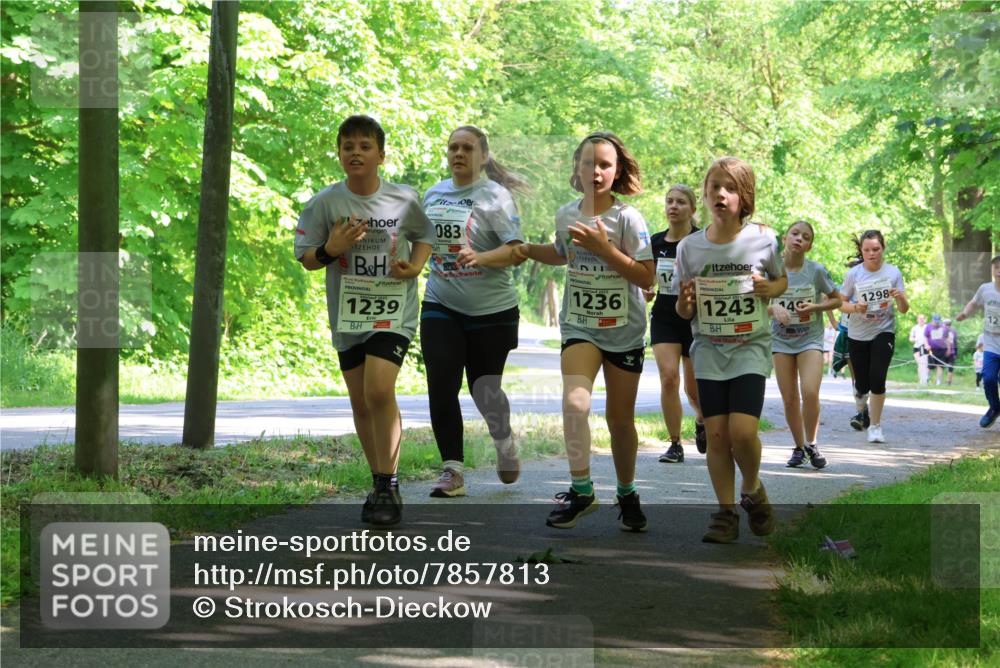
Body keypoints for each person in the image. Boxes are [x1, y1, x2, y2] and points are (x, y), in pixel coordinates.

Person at [294, 115, 435, 526]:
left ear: (381, 155)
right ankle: (378, 482)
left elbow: (425, 236)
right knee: (360, 400)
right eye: (348, 146)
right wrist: (329, 249)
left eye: (364, 146)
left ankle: (389, 482)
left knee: (378, 390)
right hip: (350, 313)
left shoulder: (403, 199)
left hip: (394, 310)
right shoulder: (326, 203)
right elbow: (306, 258)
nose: (356, 152)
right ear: (339, 154)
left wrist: (415, 267)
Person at [513, 132, 654, 532]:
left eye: (605, 164)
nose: (596, 171)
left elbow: (646, 276)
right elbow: (562, 254)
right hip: (580, 326)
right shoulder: (565, 215)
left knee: (620, 419)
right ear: (576, 168)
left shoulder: (629, 218)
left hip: (624, 329)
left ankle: (627, 492)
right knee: (575, 402)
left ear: (618, 170)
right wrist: (525, 250)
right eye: (588, 163)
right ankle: (581, 490)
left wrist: (606, 249)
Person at [674, 156, 787, 543]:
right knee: (717, 435)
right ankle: (724, 513)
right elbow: (681, 305)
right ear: (704, 193)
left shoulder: (764, 240)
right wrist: (686, 304)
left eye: (731, 188)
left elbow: (781, 281)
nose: (721, 193)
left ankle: (752, 489)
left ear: (745, 197)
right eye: (715, 186)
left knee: (742, 432)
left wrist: (772, 289)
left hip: (750, 347)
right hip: (708, 348)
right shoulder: (690, 247)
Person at [420, 126, 529, 498]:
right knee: (441, 382)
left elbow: (517, 251)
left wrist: (481, 257)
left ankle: (503, 439)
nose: (458, 154)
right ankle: (452, 470)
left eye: (467, 148)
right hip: (441, 301)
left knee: (484, 389)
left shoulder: (495, 197)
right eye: (453, 147)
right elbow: (419, 243)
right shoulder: (433, 194)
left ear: (483, 156)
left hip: (492, 310)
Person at [768, 221, 842, 469]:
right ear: (785, 238)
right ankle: (799, 447)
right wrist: (773, 307)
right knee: (789, 397)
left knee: (810, 391)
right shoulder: (771, 269)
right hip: (780, 340)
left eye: (806, 237)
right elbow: (753, 301)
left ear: (809, 245)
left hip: (809, 338)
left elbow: (837, 300)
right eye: (795, 234)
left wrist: (816, 307)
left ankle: (812, 442)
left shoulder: (816, 270)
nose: (799, 239)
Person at [643, 184, 705, 464]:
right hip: (665, 318)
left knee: (693, 390)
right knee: (669, 378)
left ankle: (702, 420)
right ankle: (675, 443)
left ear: (692, 209)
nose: (673, 206)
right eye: (669, 201)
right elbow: (647, 279)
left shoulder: (702, 241)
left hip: (696, 320)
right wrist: (646, 290)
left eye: (681, 202)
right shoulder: (655, 243)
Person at [840, 230, 909, 443]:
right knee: (861, 384)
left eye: (876, 249)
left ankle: (876, 427)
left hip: (883, 330)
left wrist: (899, 298)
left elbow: (905, 309)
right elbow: (840, 303)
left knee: (877, 379)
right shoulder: (854, 274)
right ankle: (862, 410)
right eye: (867, 250)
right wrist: (854, 307)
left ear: (883, 248)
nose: (872, 254)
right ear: (861, 251)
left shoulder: (893, 273)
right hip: (858, 333)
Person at [955, 254, 1000, 428]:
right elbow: (973, 303)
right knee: (988, 379)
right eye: (996, 268)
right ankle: (994, 408)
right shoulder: (985, 289)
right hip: (991, 343)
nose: (999, 271)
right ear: (992, 271)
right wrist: (965, 313)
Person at [925, 314, 950, 386]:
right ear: (932, 320)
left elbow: (947, 338)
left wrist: (948, 348)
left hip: (942, 349)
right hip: (931, 349)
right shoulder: (928, 327)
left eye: (938, 322)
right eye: (935, 322)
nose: (936, 323)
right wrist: (926, 345)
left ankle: (938, 382)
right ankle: (927, 379)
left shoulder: (943, 327)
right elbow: (925, 337)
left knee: (940, 365)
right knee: (930, 365)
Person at [909, 314, 929, 385]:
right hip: (916, 347)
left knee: (924, 364)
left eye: (923, 319)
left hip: (924, 347)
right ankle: (921, 380)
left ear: (924, 319)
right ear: (917, 320)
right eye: (920, 319)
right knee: (920, 364)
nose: (921, 320)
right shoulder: (914, 328)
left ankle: (925, 380)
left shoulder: (927, 327)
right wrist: (915, 339)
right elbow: (910, 338)